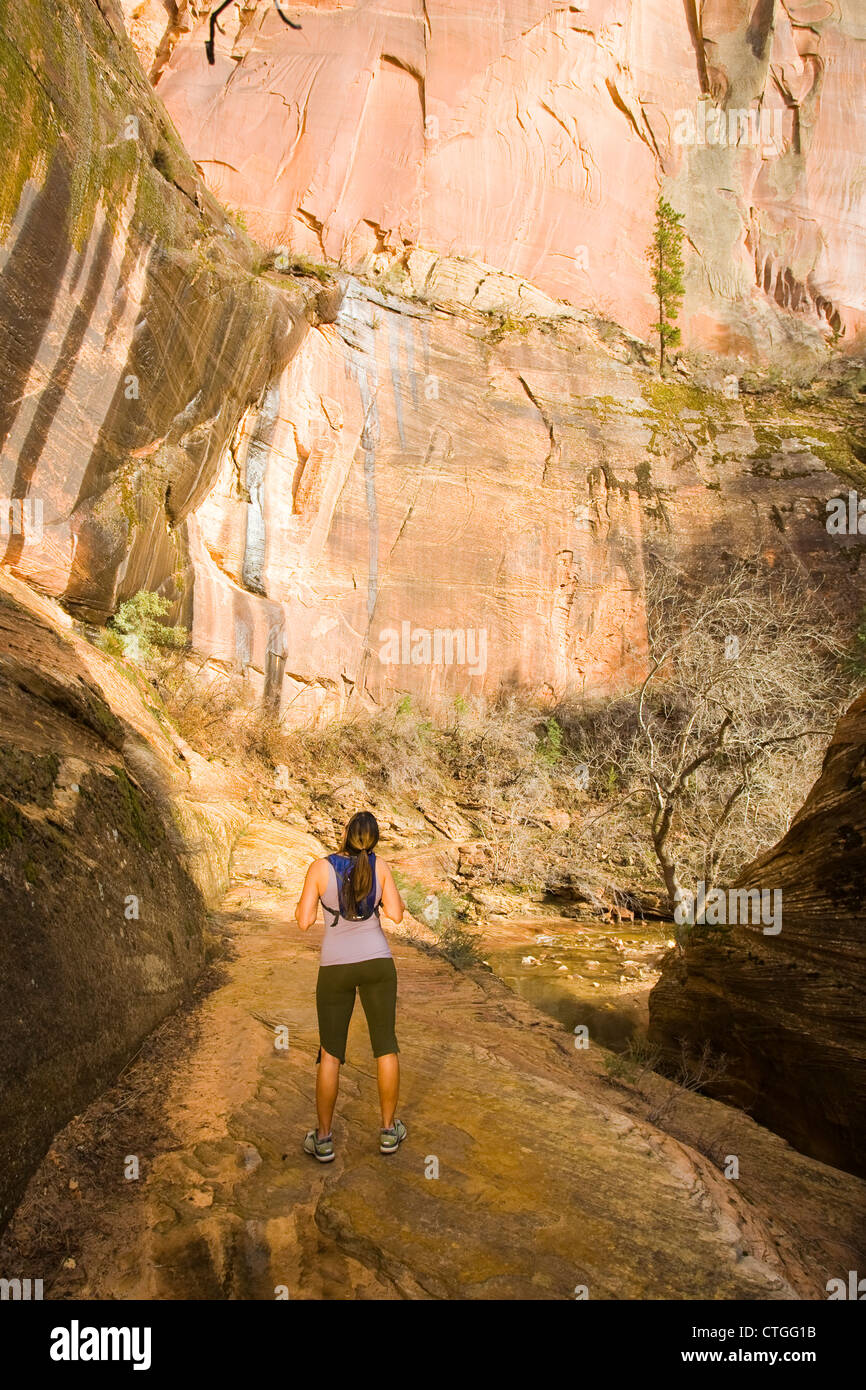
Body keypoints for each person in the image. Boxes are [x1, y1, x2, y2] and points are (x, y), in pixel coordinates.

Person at [294, 811, 406, 1162]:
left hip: (336, 967)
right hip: (377, 962)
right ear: (374, 841)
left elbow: (303, 921)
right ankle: (389, 1132)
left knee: (331, 1051)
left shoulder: (319, 868)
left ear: (345, 833)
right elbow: (397, 915)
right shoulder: (380, 866)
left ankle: (324, 1139)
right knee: (385, 1046)